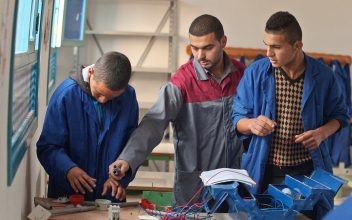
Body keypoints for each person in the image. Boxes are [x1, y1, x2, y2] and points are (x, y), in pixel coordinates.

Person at [109, 14, 245, 207]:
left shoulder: (243, 76)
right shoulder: (181, 83)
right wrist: (127, 158)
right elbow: (153, 123)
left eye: (207, 48)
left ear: (223, 42)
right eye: (195, 48)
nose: (200, 56)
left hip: (234, 187)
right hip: (194, 191)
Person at [232, 11, 349, 218]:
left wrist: (322, 133)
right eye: (266, 44)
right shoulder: (255, 73)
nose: (268, 53)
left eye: (276, 47)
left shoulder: (323, 76)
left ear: (297, 46)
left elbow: (340, 116)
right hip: (264, 169)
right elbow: (237, 119)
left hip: (307, 171)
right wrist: (251, 124)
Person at [36, 51, 139, 202]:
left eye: (112, 97)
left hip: (109, 196)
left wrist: (120, 180)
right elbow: (48, 147)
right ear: (91, 72)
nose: (103, 101)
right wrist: (68, 169)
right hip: (68, 196)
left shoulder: (128, 97)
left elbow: (132, 145)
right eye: (99, 94)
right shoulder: (66, 95)